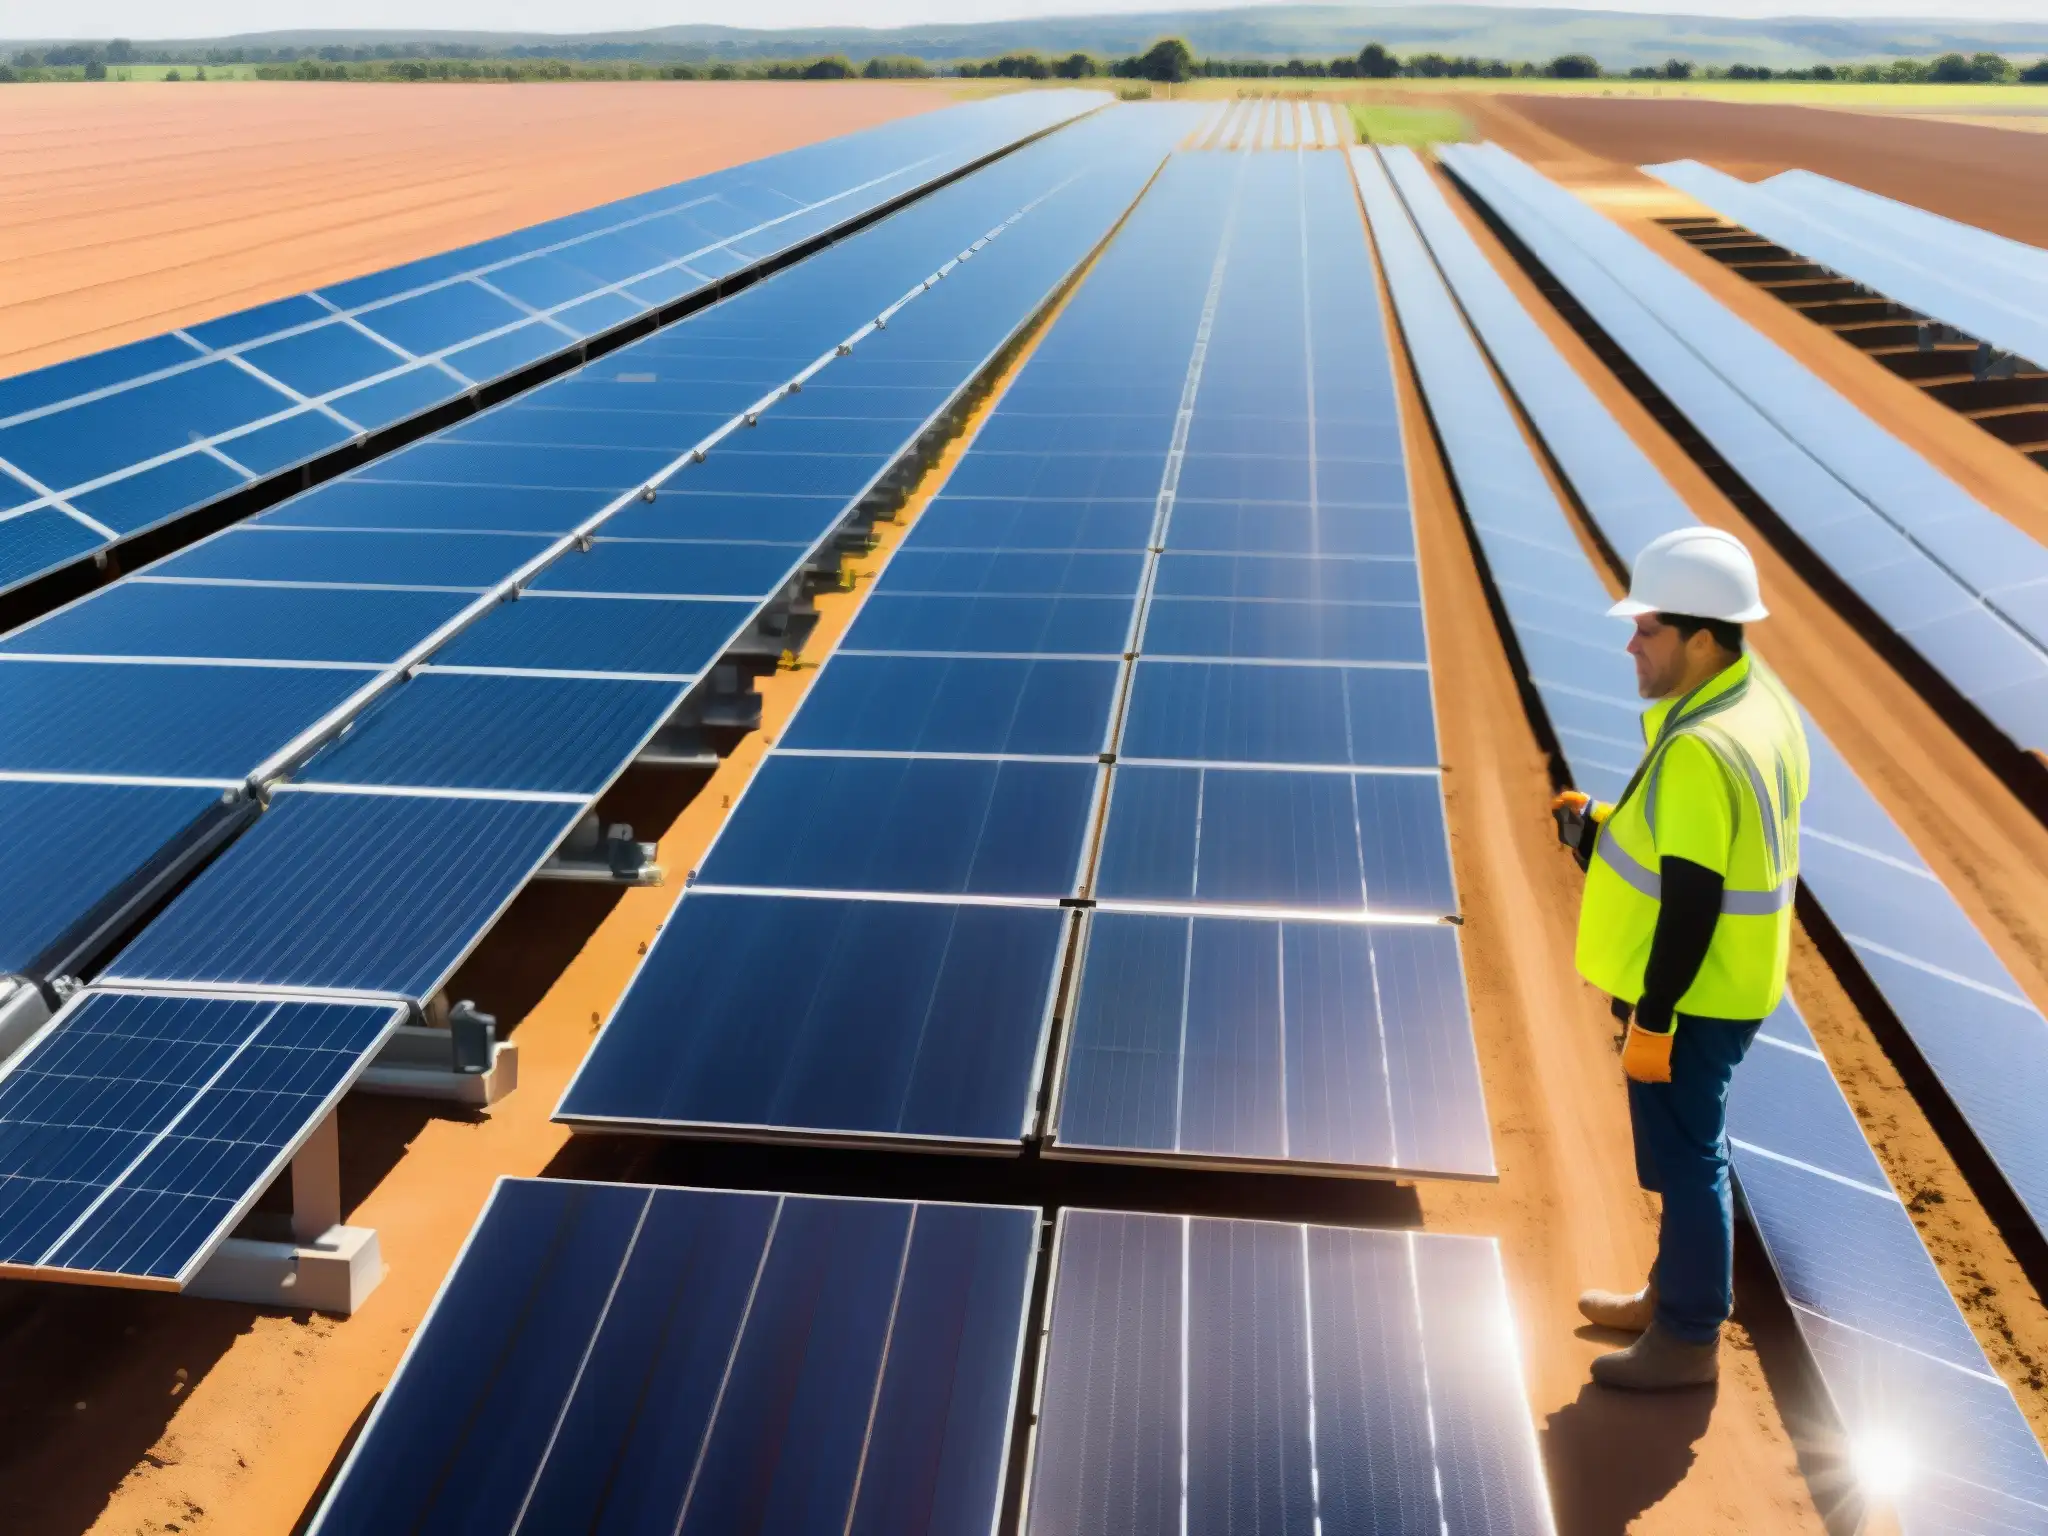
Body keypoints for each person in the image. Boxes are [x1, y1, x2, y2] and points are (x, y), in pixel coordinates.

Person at [1550, 527, 1807, 1391]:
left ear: (1702, 637)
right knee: (1691, 1145)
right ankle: (1671, 1295)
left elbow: (1694, 900)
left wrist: (1654, 1015)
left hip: (1693, 995)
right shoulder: (1757, 699)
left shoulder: (1699, 749)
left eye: (1648, 628)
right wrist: (1604, 828)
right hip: (1738, 980)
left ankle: (1689, 1338)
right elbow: (1702, 848)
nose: (1630, 643)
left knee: (1693, 1155)